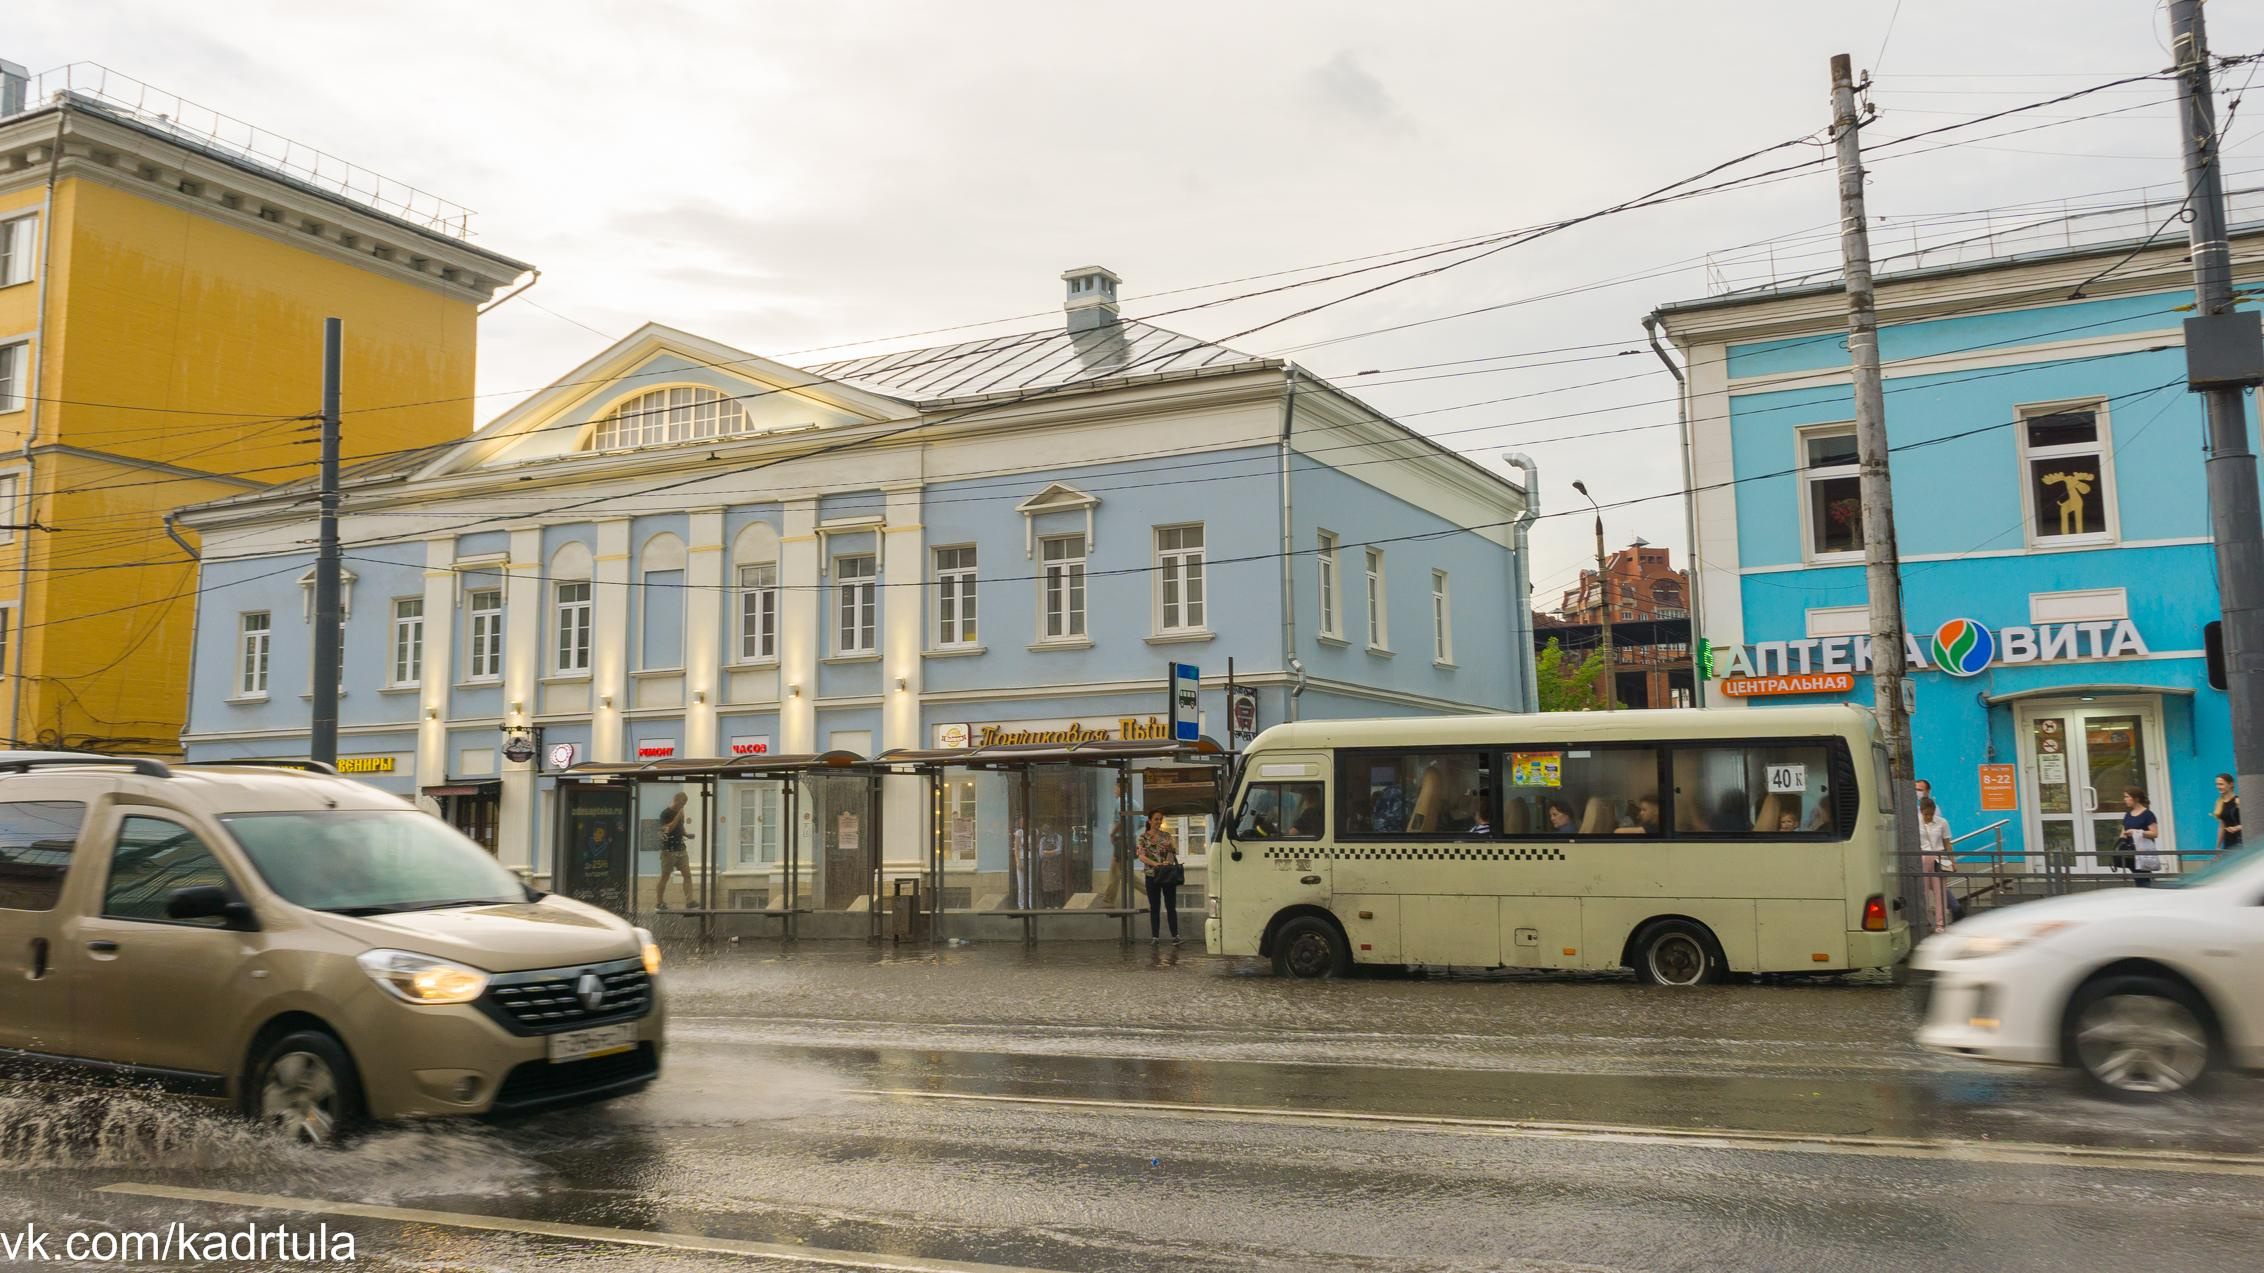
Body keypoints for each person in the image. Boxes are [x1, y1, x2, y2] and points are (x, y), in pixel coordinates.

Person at [1135, 810, 1181, 942]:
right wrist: (1156, 864)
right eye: (1156, 819)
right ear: (1149, 821)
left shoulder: (1166, 835)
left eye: (1160, 819)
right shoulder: (1143, 837)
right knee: (1155, 907)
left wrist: (1168, 860)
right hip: (1152, 875)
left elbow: (1172, 853)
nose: (1159, 821)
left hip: (1167, 875)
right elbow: (1141, 856)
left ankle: (1175, 936)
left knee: (1171, 906)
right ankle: (1155, 937)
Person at [1918, 797, 1955, 929]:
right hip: (1922, 857)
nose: (1928, 816)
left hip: (1939, 857)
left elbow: (1947, 844)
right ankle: (1924, 921)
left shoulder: (1942, 822)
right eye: (1926, 814)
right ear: (1921, 811)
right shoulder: (1916, 822)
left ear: (1934, 811)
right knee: (1923, 893)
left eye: (1931, 813)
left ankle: (1941, 923)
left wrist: (1952, 861)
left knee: (1940, 892)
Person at [655, 792, 694, 909]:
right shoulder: (665, 813)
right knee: (665, 876)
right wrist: (677, 816)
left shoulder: (681, 812)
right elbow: (668, 829)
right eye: (681, 803)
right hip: (668, 850)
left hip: (681, 849)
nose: (682, 806)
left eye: (684, 804)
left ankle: (690, 901)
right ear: (676, 800)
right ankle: (659, 902)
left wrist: (686, 834)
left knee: (687, 875)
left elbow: (680, 827)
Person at [2116, 787, 2160, 887]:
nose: (2125, 799)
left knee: (2143, 877)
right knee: (2137, 876)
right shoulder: (2128, 814)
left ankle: (2146, 893)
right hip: (2130, 851)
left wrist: (2136, 832)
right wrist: (2120, 843)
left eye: (2127, 797)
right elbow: (2123, 831)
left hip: (2142, 850)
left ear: (2136, 798)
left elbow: (2154, 833)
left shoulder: (2148, 814)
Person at [2213, 772, 2242, 855]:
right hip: (2228, 842)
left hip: (2241, 841)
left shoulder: (2238, 801)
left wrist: (2237, 828)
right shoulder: (2219, 802)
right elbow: (2222, 826)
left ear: (2231, 784)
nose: (2218, 787)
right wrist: (2218, 847)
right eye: (2216, 784)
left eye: (2221, 784)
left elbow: (2250, 824)